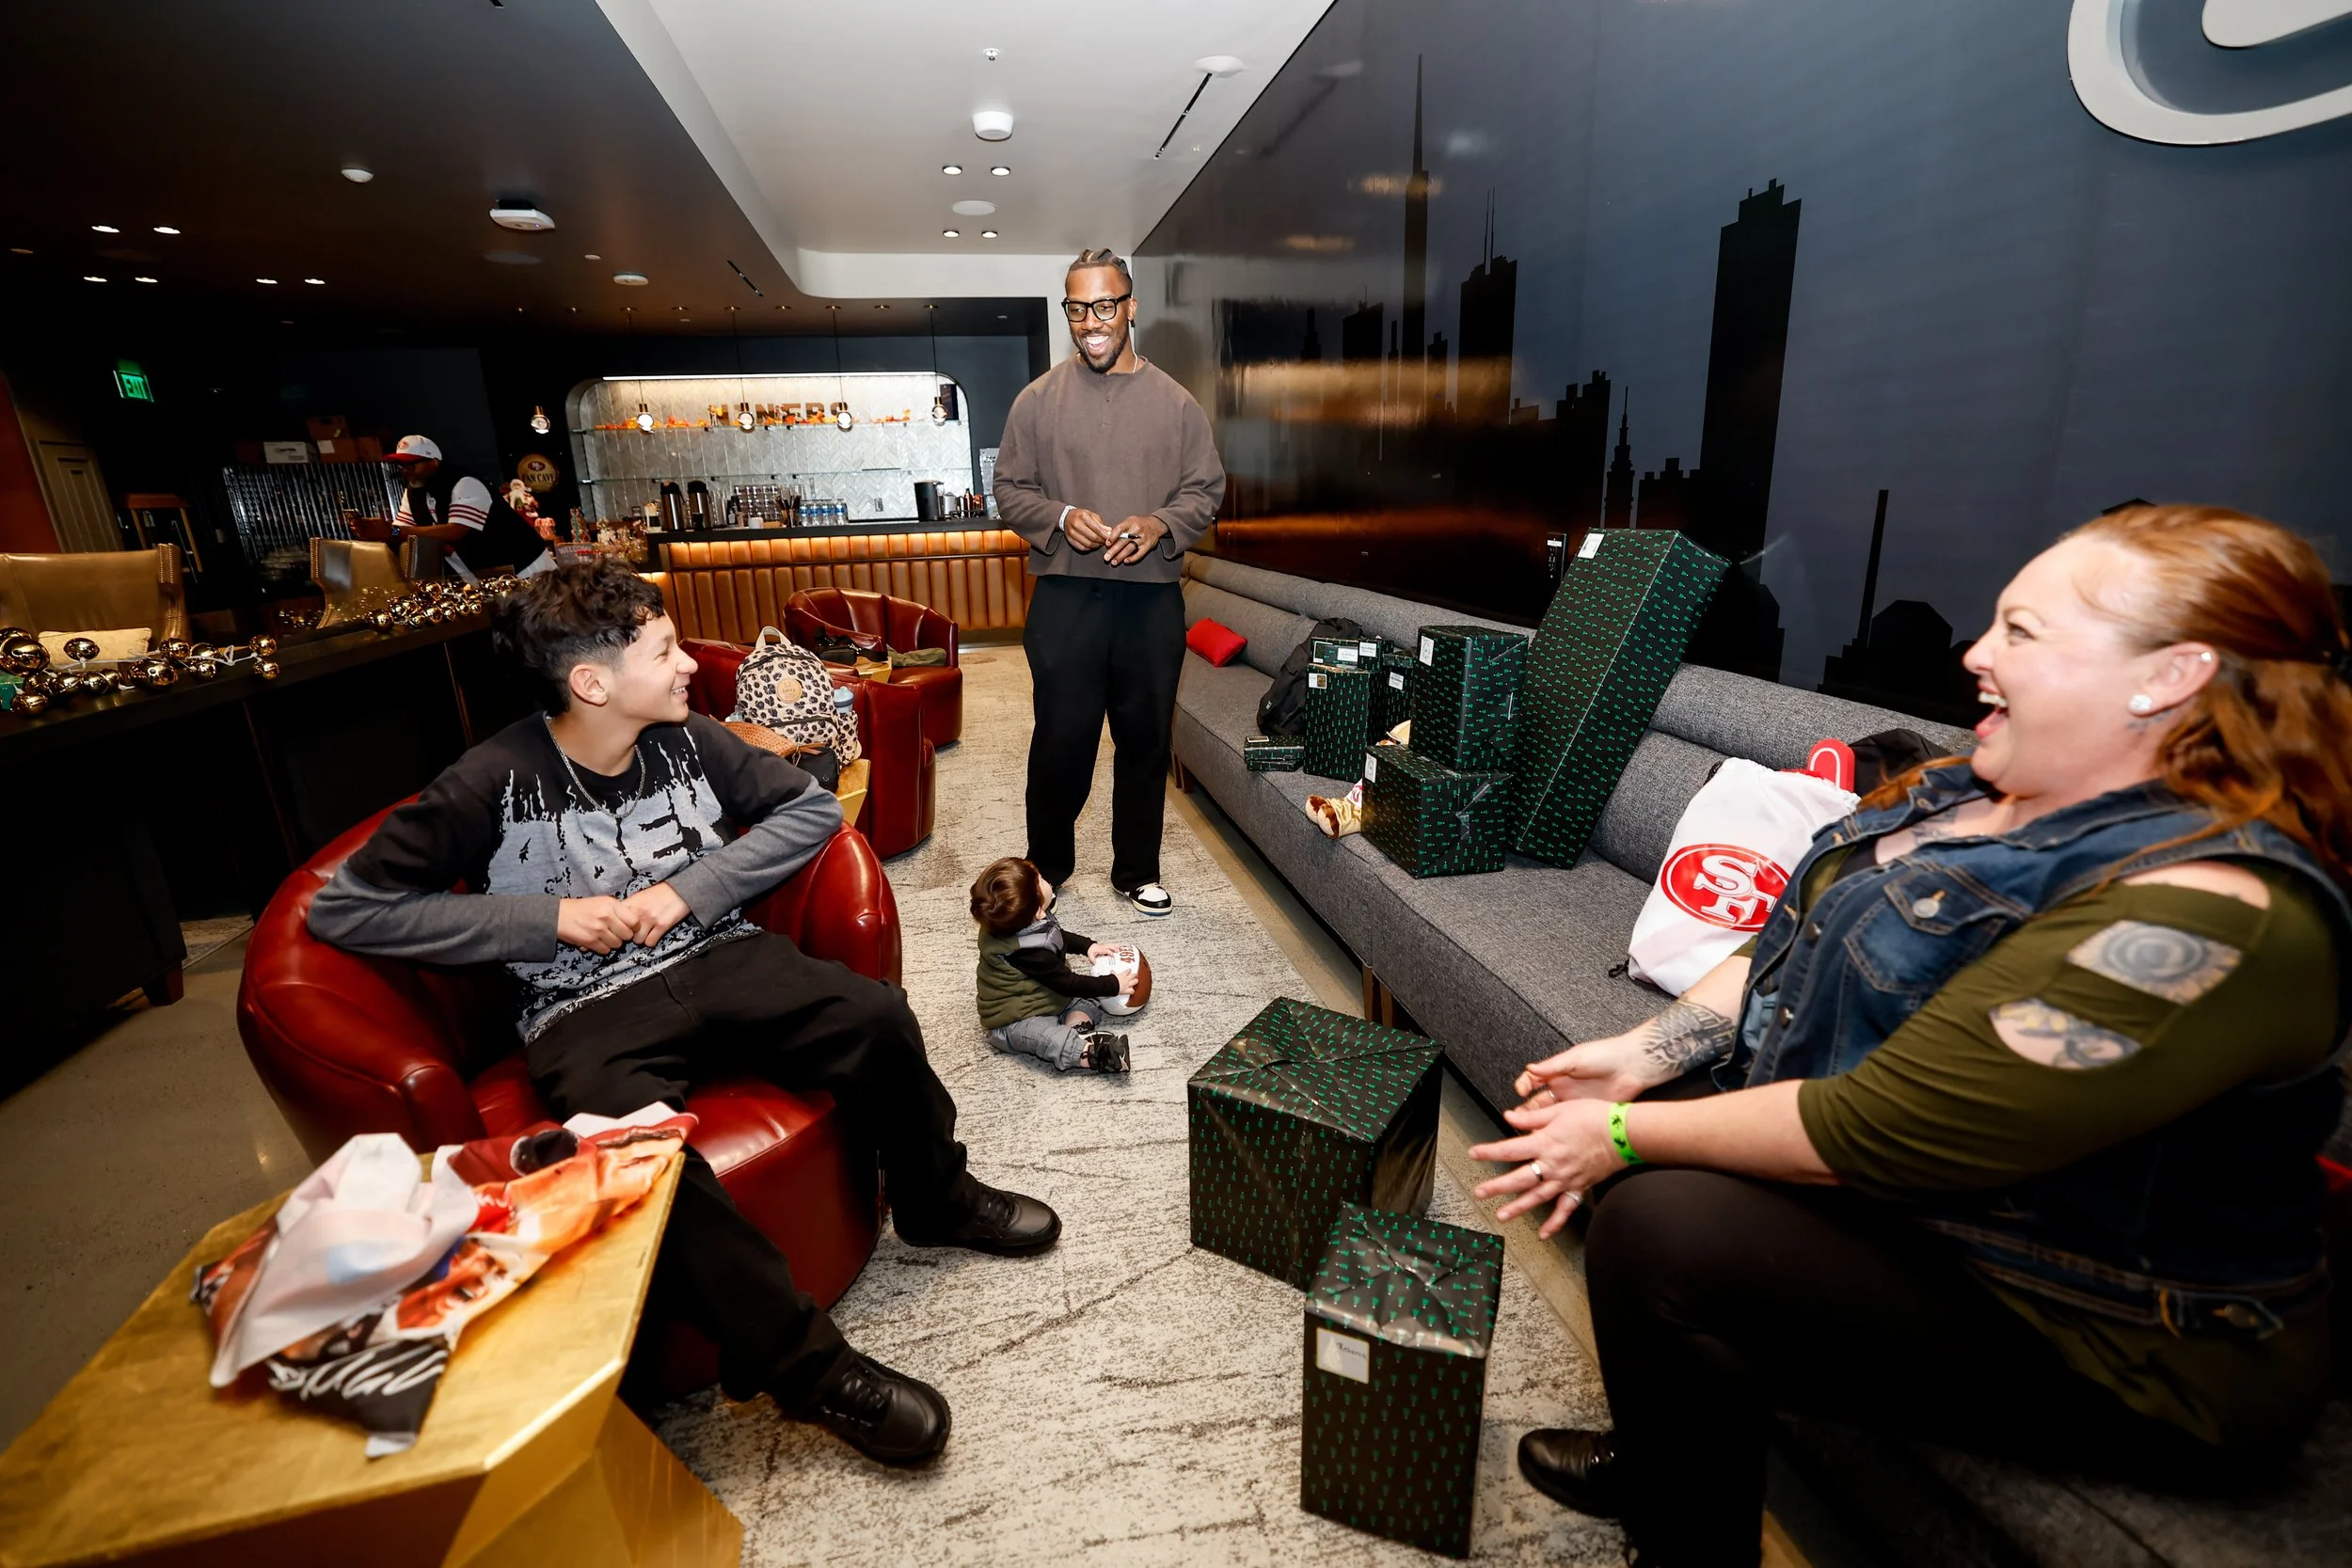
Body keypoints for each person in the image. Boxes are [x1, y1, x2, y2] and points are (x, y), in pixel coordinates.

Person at [1470, 504, 2352, 1566]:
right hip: (1974, 1212)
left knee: (1662, 1220)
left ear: (2168, 675)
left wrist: (1616, 1134)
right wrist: (1649, 1050)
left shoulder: (2209, 914)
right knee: (1647, 1138)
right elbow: (1791, 935)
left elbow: (1882, 1129)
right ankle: (1670, 1454)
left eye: (2021, 633)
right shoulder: (1970, 787)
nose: (1975, 654)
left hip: (2121, 1326)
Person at [307, 556, 1059, 1467]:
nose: (690, 665)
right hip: (581, 1012)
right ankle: (810, 1371)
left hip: (718, 954)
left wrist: (689, 890)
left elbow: (811, 810)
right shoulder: (488, 781)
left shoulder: (691, 740)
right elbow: (348, 908)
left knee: (876, 1016)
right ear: (591, 681)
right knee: (650, 1166)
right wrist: (544, 919)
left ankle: (935, 1196)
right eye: (663, 649)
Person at [993, 247, 1226, 919]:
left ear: (1130, 307)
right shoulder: (1037, 400)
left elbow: (1205, 491)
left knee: (1145, 739)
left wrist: (1158, 524)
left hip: (1150, 598)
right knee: (1060, 739)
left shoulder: (1177, 405)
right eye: (1076, 308)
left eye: (1103, 305)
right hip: (1065, 597)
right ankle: (1047, 868)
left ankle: (1136, 870)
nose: (1090, 322)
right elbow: (1009, 490)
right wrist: (1062, 516)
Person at [968, 856, 1134, 1073]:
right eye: (1041, 880)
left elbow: (1056, 936)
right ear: (1037, 911)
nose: (1046, 880)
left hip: (1045, 995)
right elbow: (1067, 983)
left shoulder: (1015, 921)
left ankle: (1077, 1027)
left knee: (1089, 998)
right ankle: (1094, 1055)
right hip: (1013, 1020)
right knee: (1046, 1038)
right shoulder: (1027, 952)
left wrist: (1088, 946)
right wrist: (1113, 984)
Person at [386, 435, 553, 581]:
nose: (405, 471)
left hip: (526, 564)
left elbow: (456, 531)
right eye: (400, 465)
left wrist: (396, 532)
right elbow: (401, 529)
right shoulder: (413, 493)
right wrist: (381, 531)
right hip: (488, 574)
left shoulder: (465, 482)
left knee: (547, 614)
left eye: (411, 464)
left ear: (434, 462)